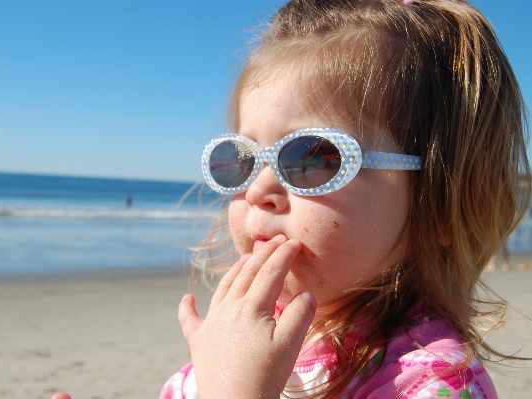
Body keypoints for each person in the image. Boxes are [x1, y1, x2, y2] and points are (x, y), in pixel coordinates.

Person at [54, 0, 531, 398]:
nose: (258, 189)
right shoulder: (246, 333)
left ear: (443, 203)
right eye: (240, 158)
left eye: (314, 158)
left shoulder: (433, 382)